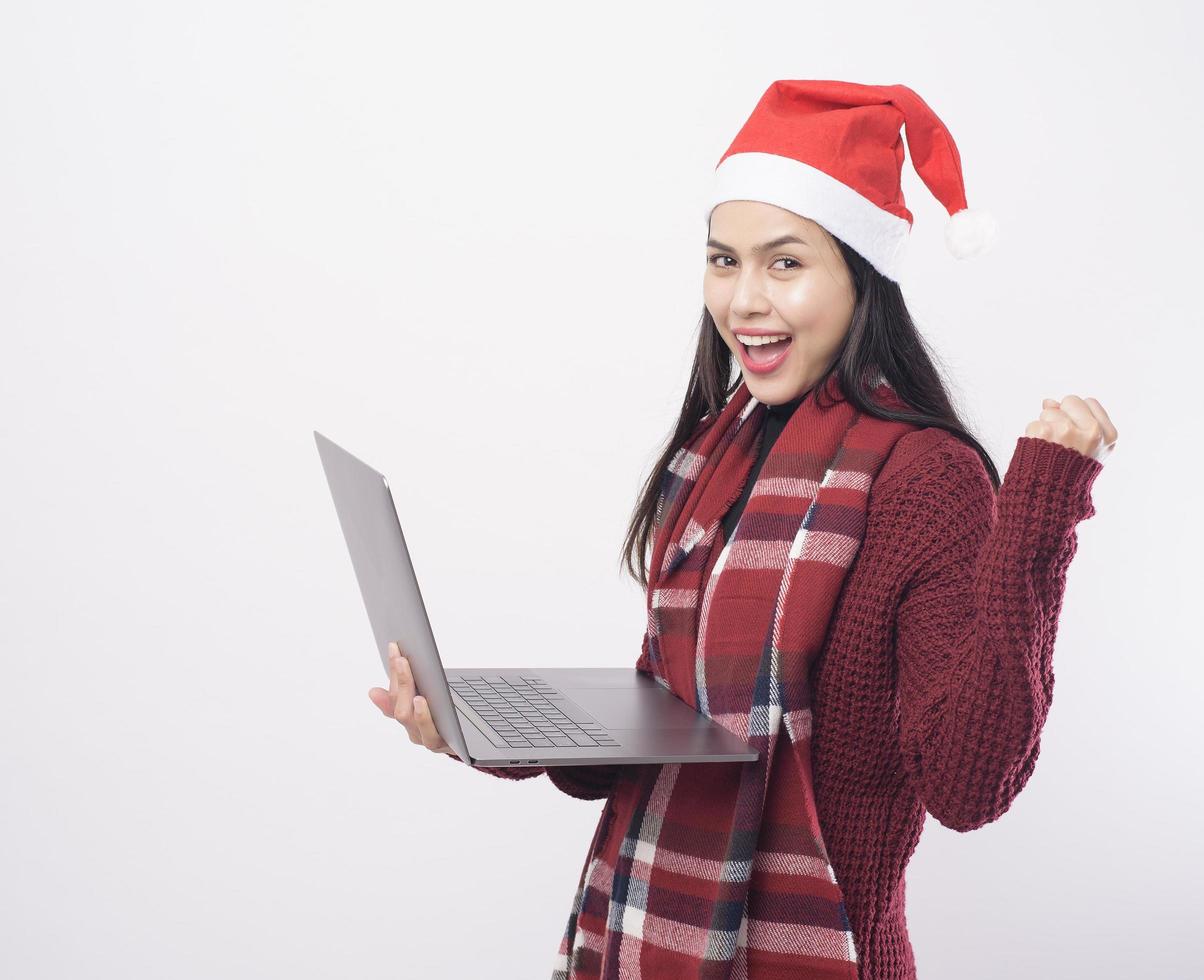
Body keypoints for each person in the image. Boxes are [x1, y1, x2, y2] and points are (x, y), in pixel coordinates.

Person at [368, 79, 1118, 980]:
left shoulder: (927, 479)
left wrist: (1040, 518)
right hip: (641, 939)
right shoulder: (717, 453)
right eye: (724, 260)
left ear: (862, 274)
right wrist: (490, 731)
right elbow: (678, 728)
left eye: (786, 263)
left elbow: (969, 782)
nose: (744, 301)